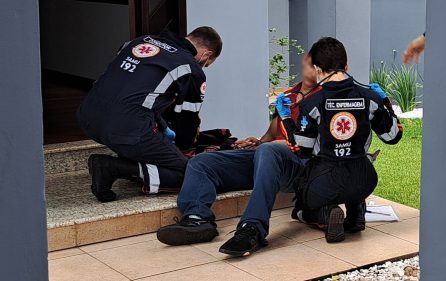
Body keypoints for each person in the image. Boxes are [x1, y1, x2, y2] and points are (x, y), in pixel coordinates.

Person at [217, 37, 403, 256]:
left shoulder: (313, 103)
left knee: (303, 205)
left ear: (317, 69)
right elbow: (393, 137)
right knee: (350, 176)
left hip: (326, 182)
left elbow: (301, 150)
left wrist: (286, 118)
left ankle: (324, 212)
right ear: (346, 66)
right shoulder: (370, 97)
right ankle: (355, 209)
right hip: (365, 180)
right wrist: (386, 103)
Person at [155, 55, 325, 246]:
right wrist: (257, 142)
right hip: (265, 156)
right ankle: (197, 219)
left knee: (268, 152)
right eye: (314, 62)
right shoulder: (288, 96)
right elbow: (272, 134)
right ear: (305, 61)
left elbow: (317, 146)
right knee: (201, 162)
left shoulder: (324, 99)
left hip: (296, 165)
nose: (318, 68)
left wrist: (275, 147)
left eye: (322, 65)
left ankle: (252, 228)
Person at [77, 27, 223, 202]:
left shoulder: (139, 41)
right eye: (207, 64)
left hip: (88, 117)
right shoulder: (190, 68)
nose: (204, 67)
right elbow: (187, 123)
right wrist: (180, 149)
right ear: (206, 55)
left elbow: (133, 91)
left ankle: (132, 158)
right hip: (126, 129)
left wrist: (161, 127)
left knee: (141, 127)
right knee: (191, 174)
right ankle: (112, 167)